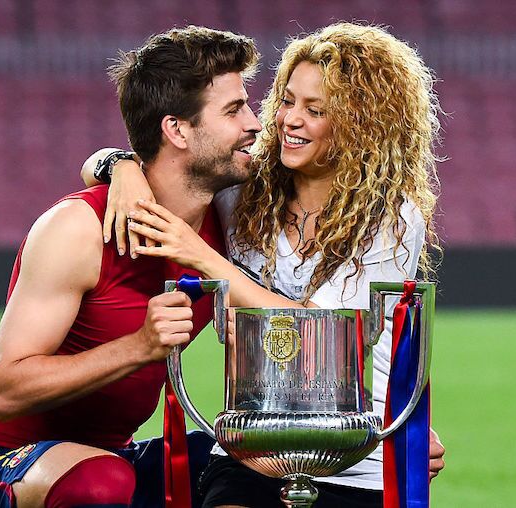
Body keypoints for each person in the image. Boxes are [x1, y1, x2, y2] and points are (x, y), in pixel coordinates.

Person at [82, 23, 445, 508]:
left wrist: (202, 256)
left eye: (315, 110)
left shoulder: (391, 216)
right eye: (287, 100)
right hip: (253, 448)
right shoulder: (247, 188)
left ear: (362, 125)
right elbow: (139, 161)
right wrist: (122, 167)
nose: (289, 120)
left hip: (359, 456)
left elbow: (317, 331)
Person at [0, 26, 261, 508]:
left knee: (255, 461)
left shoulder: (225, 214)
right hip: (2, 466)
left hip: (117, 457)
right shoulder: (77, 228)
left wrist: (119, 162)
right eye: (235, 110)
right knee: (101, 485)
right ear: (176, 129)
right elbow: (3, 392)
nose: (255, 124)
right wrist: (140, 346)